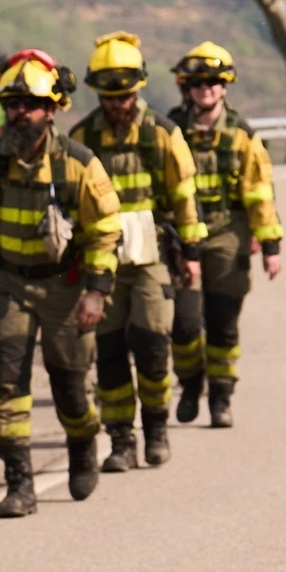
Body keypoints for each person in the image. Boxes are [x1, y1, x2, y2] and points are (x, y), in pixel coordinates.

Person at [0, 50, 121, 517]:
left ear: (52, 109)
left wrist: (96, 292)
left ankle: (83, 443)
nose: (20, 112)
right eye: (13, 102)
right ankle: (18, 483)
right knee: (7, 382)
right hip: (8, 287)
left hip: (66, 287)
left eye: (30, 103)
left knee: (70, 386)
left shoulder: (80, 165)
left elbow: (105, 231)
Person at [68, 33, 206, 469]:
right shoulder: (82, 137)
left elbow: (184, 197)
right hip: (101, 261)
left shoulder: (163, 135)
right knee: (107, 353)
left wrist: (192, 253)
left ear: (139, 89)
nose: (117, 105)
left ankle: (157, 427)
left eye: (125, 96)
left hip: (151, 258)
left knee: (150, 345)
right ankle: (122, 441)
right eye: (109, 97)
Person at [167, 42, 283, 427]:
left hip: (227, 234)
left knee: (223, 321)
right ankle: (189, 382)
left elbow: (260, 192)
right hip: (181, 236)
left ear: (225, 85)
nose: (206, 88)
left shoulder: (241, 135)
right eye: (198, 82)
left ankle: (221, 395)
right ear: (186, 85)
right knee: (184, 323)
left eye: (214, 81)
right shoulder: (170, 130)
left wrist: (270, 246)